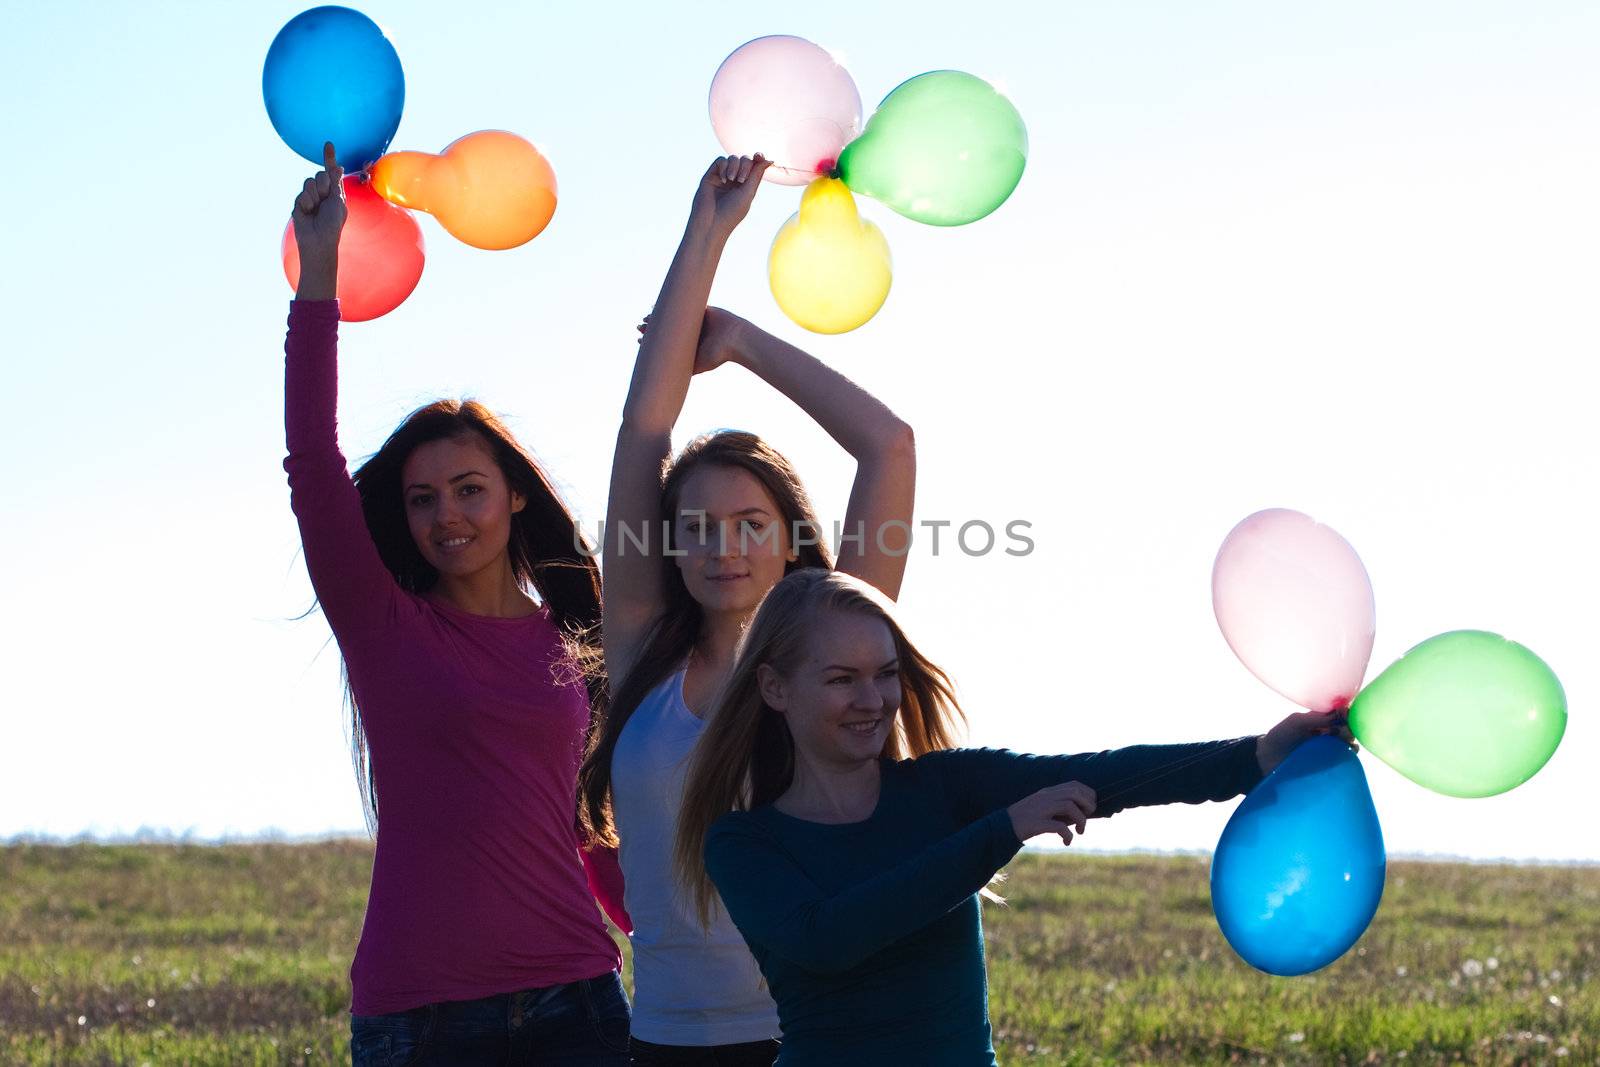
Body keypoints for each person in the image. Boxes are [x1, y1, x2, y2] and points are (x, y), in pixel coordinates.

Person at [677, 568, 1351, 1066]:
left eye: (885, 673)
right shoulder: (743, 842)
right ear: (774, 687)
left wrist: (1257, 755)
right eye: (841, 678)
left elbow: (1107, 773)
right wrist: (999, 833)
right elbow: (827, 938)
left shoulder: (945, 785)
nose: (873, 698)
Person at [285, 143, 630, 1065]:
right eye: (423, 498)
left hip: (579, 1002)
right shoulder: (385, 626)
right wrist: (318, 278)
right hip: (423, 1019)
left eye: (469, 488)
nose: (448, 515)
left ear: (515, 492)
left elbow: (578, 820)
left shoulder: (577, 637)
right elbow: (315, 468)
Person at [577, 155, 917, 1066]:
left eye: (747, 523)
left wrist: (745, 343)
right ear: (670, 547)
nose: (722, 546)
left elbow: (888, 445)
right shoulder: (643, 647)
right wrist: (707, 231)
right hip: (666, 1041)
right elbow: (642, 430)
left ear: (788, 537)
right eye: (696, 528)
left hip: (813, 1036)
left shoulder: (837, 641)